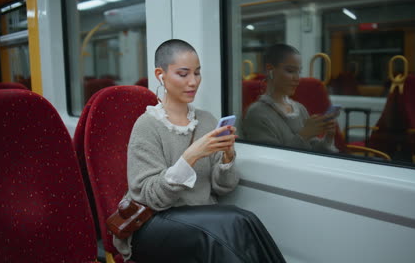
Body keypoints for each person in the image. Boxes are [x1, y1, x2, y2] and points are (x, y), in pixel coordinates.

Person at [113, 39, 286, 263]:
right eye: (183, 74)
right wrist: (191, 155)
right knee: (230, 221)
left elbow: (223, 188)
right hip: (155, 222)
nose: (193, 82)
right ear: (160, 74)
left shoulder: (206, 120)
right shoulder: (147, 125)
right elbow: (151, 197)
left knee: (244, 219)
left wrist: (227, 157)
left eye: (197, 73)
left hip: (201, 217)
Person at [243, 44, 338, 153]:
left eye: (299, 72)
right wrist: (304, 135)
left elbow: (312, 148)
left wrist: (328, 137)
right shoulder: (256, 114)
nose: (297, 78)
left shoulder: (300, 108)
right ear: (270, 69)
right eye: (290, 71)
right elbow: (271, 160)